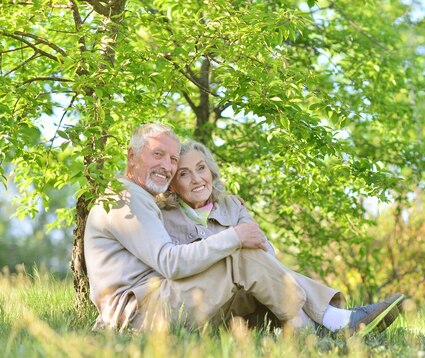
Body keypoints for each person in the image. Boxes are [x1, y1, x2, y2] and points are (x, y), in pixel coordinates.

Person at [85, 122, 404, 334]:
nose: (167, 167)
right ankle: (327, 326)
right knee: (239, 256)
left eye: (171, 159)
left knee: (250, 272)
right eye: (159, 156)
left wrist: (239, 237)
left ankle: (326, 324)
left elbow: (265, 254)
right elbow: (171, 262)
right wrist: (235, 237)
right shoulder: (125, 198)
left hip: (156, 303)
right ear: (132, 156)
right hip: (135, 314)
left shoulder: (140, 197)